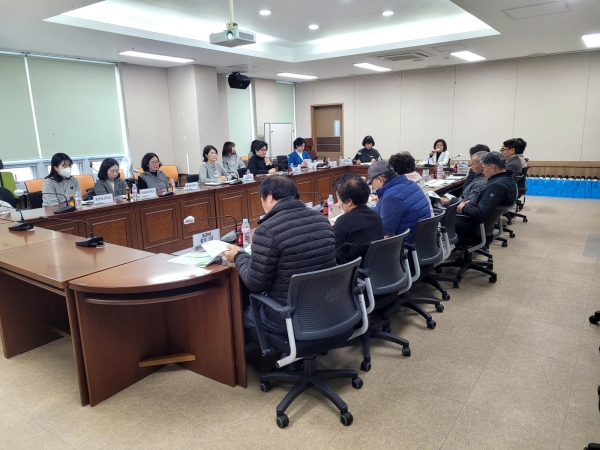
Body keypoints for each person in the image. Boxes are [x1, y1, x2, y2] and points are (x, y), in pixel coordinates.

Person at [222, 176, 336, 335]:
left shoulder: (267, 230)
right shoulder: (322, 221)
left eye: (261, 199)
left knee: (237, 312)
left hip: (287, 317)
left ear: (269, 196)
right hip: (328, 308)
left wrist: (238, 256)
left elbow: (255, 284)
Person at [455, 152, 518, 241]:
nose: (483, 172)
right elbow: (486, 204)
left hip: (473, 229)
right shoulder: (508, 179)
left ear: (492, 167)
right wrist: (470, 204)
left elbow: (481, 213)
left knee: (441, 221)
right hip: (483, 227)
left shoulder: (496, 186)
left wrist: (463, 208)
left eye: (484, 168)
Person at [368, 159, 431, 243]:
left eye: (372, 182)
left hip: (404, 247)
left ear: (380, 179)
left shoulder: (391, 197)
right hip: (423, 242)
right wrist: (362, 211)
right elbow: (378, 208)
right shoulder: (411, 184)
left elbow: (385, 233)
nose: (372, 186)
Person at [332, 173, 384, 265]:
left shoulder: (343, 222)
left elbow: (333, 252)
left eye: (338, 199)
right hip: (375, 267)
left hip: (353, 270)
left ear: (349, 201)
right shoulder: (376, 216)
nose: (339, 203)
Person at [389, 152, 433, 216]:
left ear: (395, 171)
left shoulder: (403, 185)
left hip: (417, 221)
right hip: (430, 219)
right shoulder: (419, 179)